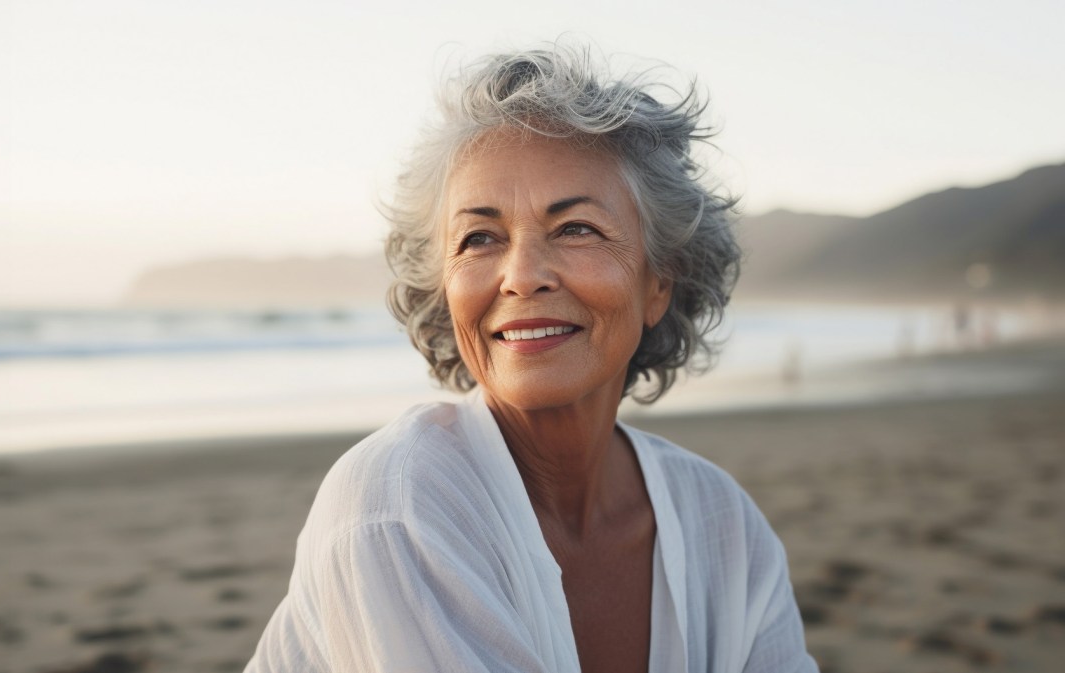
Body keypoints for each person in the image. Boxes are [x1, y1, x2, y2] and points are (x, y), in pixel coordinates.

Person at [244, 44, 817, 672]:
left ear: (659, 282)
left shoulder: (722, 523)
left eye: (576, 229)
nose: (521, 276)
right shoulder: (396, 505)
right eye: (480, 238)